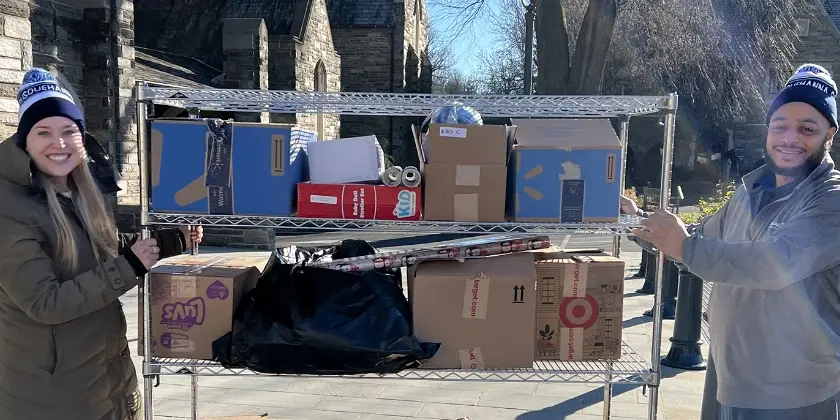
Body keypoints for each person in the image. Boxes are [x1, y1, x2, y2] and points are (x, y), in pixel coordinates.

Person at [621, 63, 840, 419]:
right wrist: (638, 222)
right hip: (728, 378)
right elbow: (698, 236)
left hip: (794, 396)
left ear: (830, 134)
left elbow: (774, 264)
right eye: (780, 125)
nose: (789, 138)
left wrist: (686, 248)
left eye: (807, 128)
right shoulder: (751, 191)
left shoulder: (831, 200)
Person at [0, 68, 204, 420]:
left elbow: (100, 247)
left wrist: (171, 240)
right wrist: (129, 268)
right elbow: (44, 303)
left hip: (103, 374)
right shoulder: (10, 208)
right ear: (25, 140)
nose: (59, 143)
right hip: (54, 395)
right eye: (43, 132)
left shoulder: (76, 190)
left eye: (68, 131)